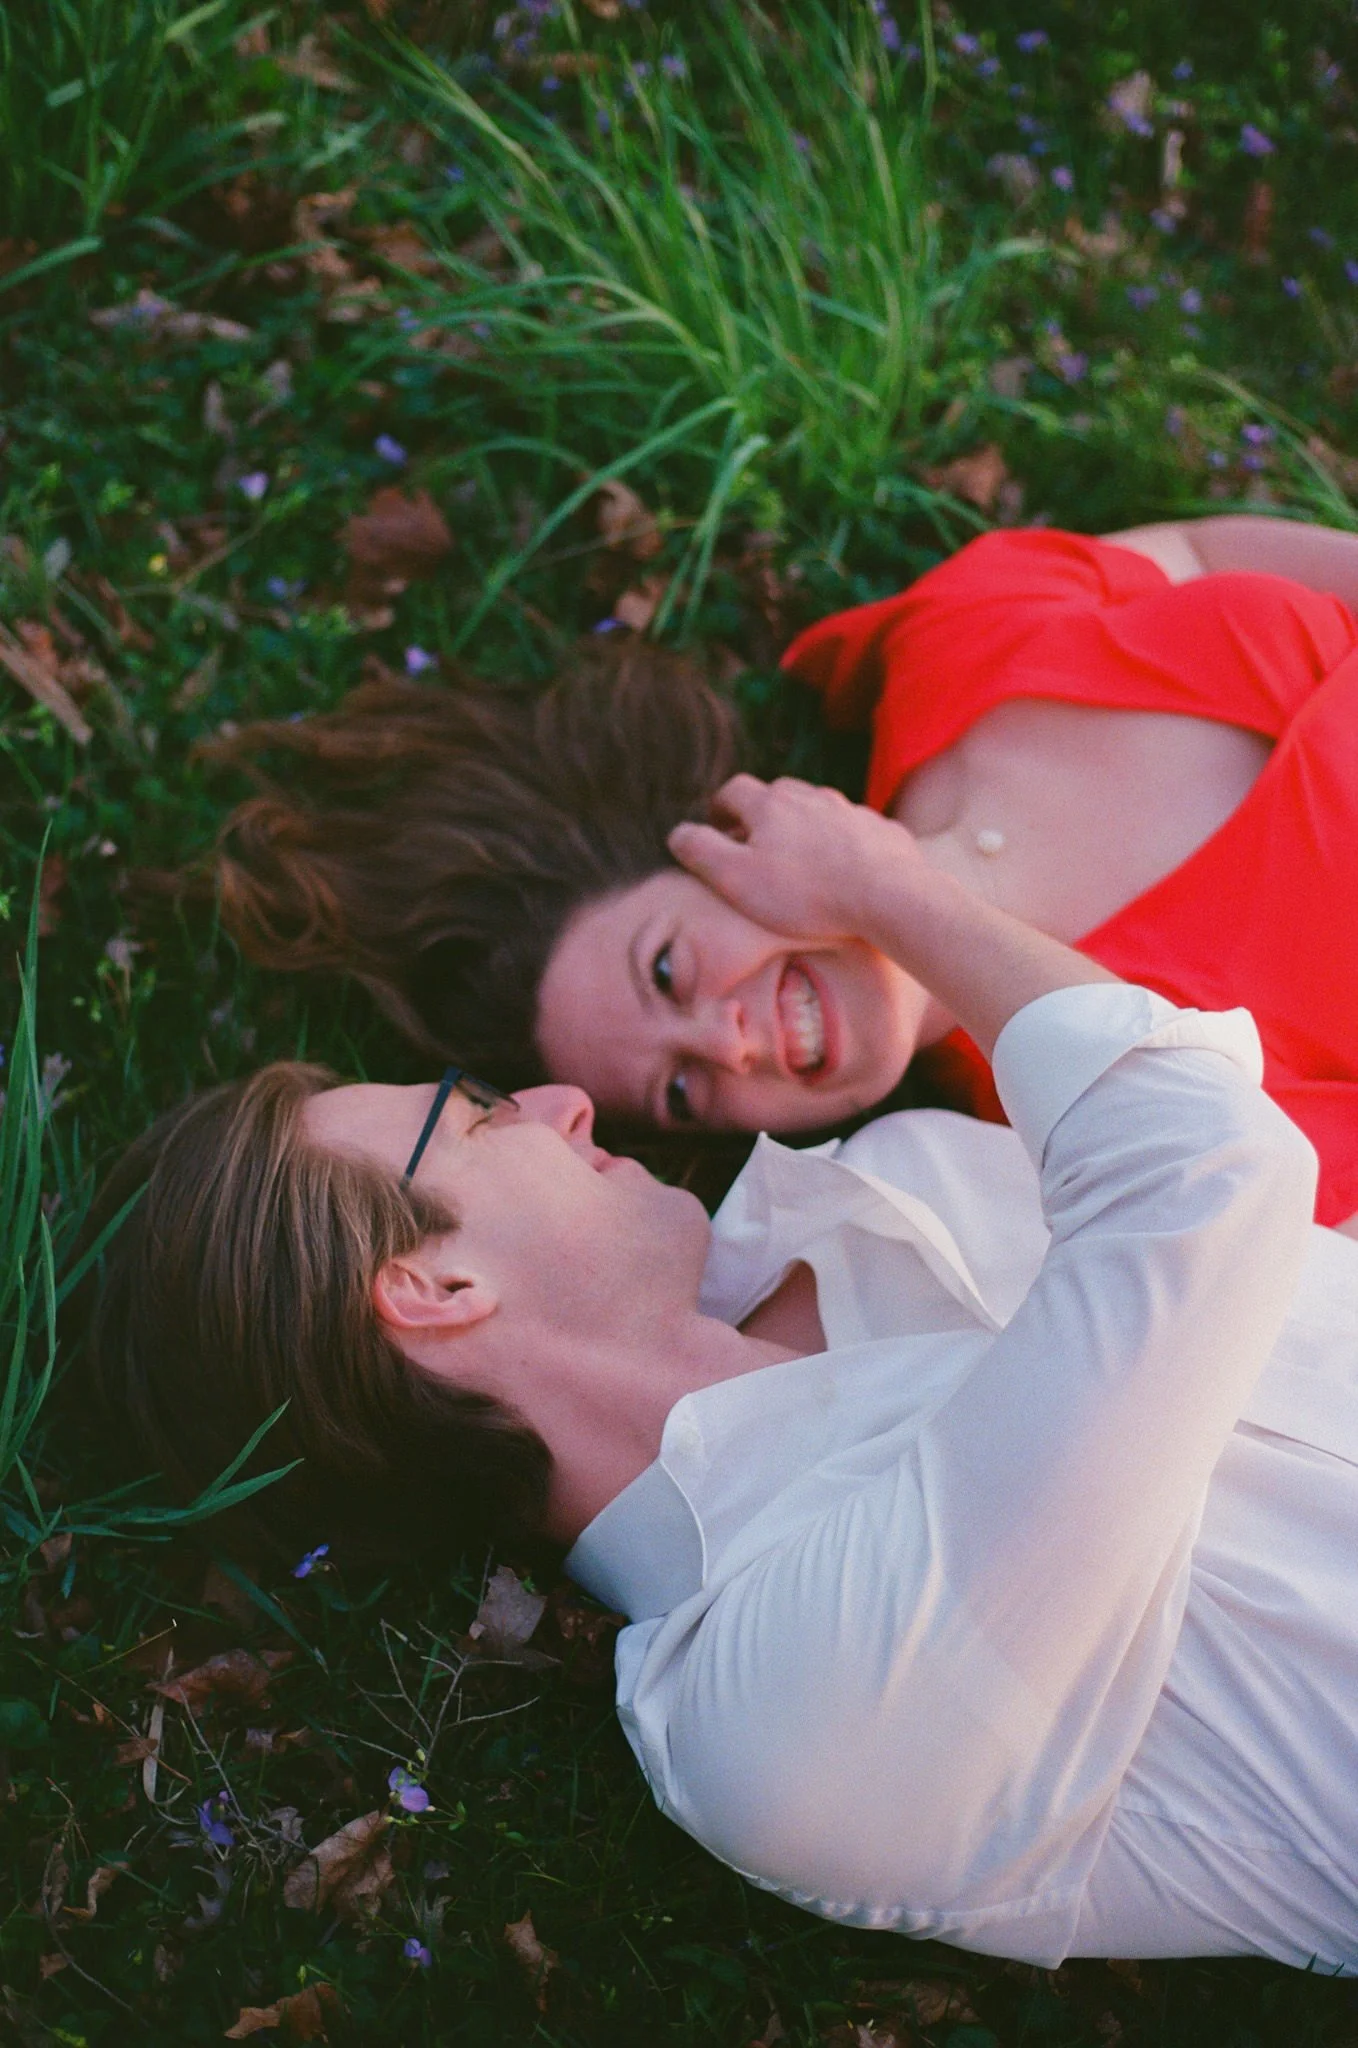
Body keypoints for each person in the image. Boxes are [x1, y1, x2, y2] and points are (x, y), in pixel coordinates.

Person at [86, 776, 1358, 1972]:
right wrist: (889, 891)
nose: (564, 1102)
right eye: (477, 1116)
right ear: (435, 1288)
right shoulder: (769, 1716)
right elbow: (1210, 1170)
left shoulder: (888, 1185)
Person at [211, 514, 1358, 1226]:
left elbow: (1189, 552)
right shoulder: (1089, 1120)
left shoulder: (963, 644)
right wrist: (884, 896)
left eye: (667, 970)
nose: (724, 1046)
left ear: (716, 845)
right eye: (680, 1091)